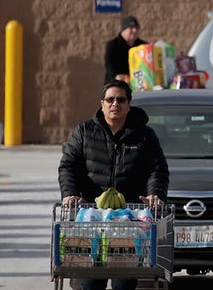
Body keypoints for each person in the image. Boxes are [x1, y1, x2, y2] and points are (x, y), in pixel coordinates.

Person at [58, 79, 169, 290]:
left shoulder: (145, 135)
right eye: (110, 99)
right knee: (90, 280)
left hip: (129, 220)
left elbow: (158, 169)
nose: (115, 104)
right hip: (91, 217)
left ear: (129, 104)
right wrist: (70, 193)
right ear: (102, 104)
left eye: (120, 99)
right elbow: (68, 166)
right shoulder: (84, 131)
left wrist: (155, 194)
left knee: (124, 280)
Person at [104, 15, 147, 83]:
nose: (135, 30)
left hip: (138, 86)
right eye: (131, 27)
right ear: (123, 30)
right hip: (116, 85)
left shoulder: (143, 46)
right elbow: (109, 66)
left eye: (137, 28)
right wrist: (117, 76)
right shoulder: (113, 45)